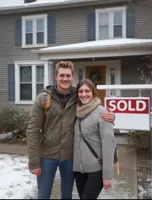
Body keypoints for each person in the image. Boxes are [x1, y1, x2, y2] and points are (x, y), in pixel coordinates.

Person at [26, 61, 115, 199]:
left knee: (67, 195)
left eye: (68, 75)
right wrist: (34, 162)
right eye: (62, 75)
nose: (65, 79)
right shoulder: (43, 99)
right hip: (47, 156)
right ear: (56, 76)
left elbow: (93, 105)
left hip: (69, 157)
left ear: (72, 76)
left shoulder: (77, 97)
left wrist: (109, 114)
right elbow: (32, 130)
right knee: (43, 195)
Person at [73, 79, 116, 199]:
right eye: (80, 91)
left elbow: (109, 145)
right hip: (79, 170)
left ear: (93, 93)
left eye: (87, 91)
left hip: (96, 170)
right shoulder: (76, 112)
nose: (84, 94)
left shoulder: (102, 113)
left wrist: (107, 175)